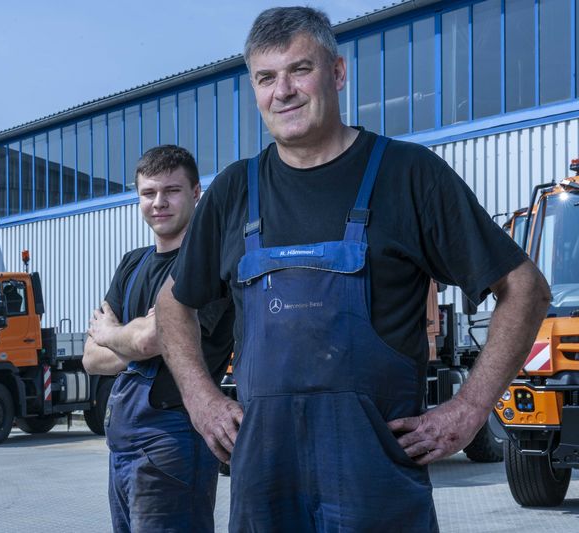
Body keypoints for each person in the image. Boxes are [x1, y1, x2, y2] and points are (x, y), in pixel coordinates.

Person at [155, 6, 551, 531]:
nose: (283, 91)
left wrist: (470, 408)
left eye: (300, 70)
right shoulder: (233, 191)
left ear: (337, 73)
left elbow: (525, 289)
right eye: (266, 78)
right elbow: (172, 304)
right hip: (264, 485)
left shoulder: (409, 175)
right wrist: (201, 400)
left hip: (376, 485)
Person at [82, 145, 234, 533]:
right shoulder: (132, 264)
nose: (159, 202)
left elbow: (152, 339)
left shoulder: (210, 264)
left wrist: (112, 334)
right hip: (122, 446)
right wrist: (135, 338)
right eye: (148, 193)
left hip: (173, 442)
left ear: (196, 193)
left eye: (172, 190)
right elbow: (91, 358)